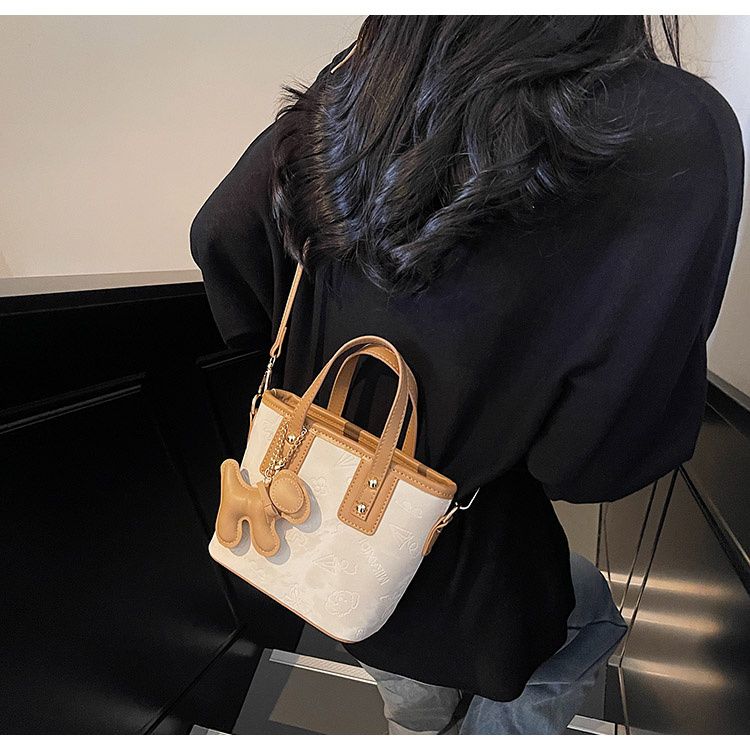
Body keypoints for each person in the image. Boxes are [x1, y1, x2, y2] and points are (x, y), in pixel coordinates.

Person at [190, 16, 743, 734]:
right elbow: (589, 467)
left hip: (316, 552)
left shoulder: (363, 79)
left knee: (406, 685)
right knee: (589, 624)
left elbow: (219, 231)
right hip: (476, 580)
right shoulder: (671, 130)